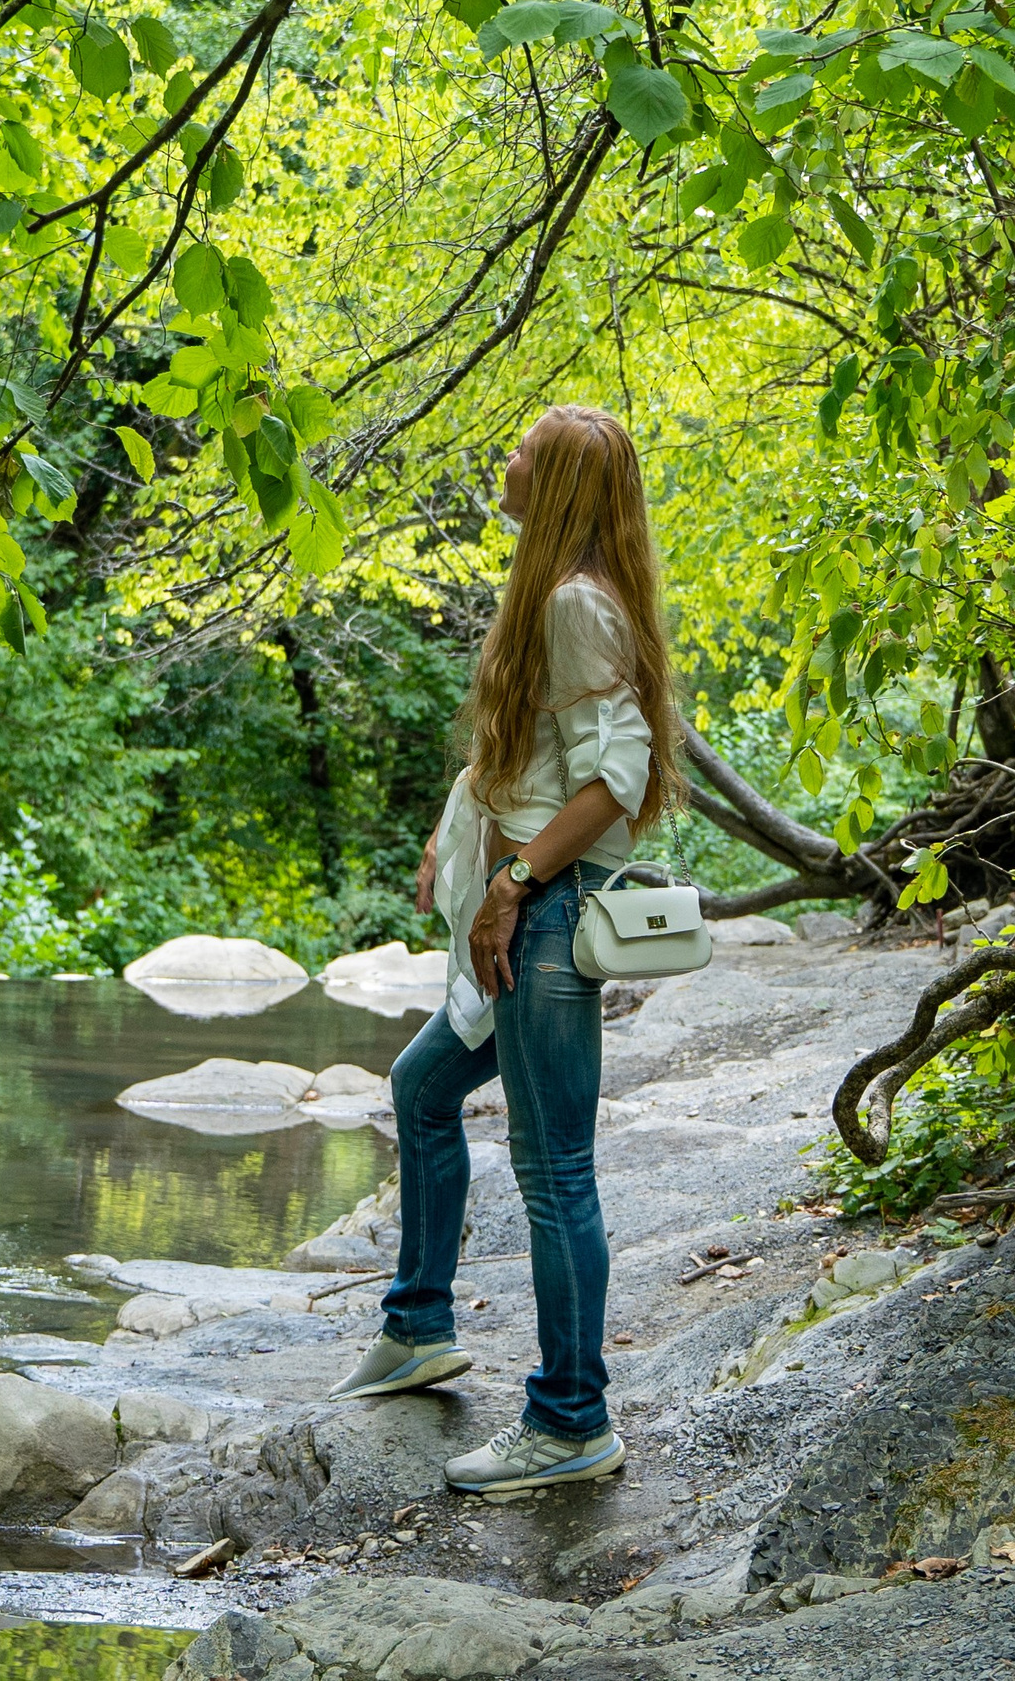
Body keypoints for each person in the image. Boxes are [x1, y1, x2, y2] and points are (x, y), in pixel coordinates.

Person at [327, 403, 683, 1493]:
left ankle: (572, 1420)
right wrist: (456, 832)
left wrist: (515, 884)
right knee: (423, 1086)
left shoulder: (576, 604)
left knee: (554, 1171)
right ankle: (419, 1325)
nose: (506, 458)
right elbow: (521, 754)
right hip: (520, 903)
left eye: (523, 449)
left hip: (548, 915)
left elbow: (614, 777)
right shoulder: (549, 595)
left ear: (560, 483)